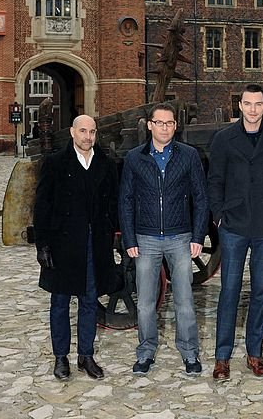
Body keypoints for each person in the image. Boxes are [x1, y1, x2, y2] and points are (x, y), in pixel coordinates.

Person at [118, 102, 207, 377]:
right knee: (145, 302)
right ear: (150, 125)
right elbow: (126, 200)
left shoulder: (189, 156)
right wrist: (129, 239)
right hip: (145, 238)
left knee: (184, 300)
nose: (165, 128)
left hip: (180, 237)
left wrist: (198, 235)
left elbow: (201, 198)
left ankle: (190, 353)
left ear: (175, 126)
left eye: (169, 123)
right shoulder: (134, 158)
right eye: (159, 123)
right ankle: (145, 351)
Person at [208, 84, 263, 381]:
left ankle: (255, 353)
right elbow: (214, 179)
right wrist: (218, 215)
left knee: (261, 290)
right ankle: (222, 357)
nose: (252, 109)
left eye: (258, 104)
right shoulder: (224, 139)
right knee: (229, 290)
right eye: (247, 104)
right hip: (234, 224)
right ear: (239, 106)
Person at [34, 115, 120, 381]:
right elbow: (42, 205)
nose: (88, 137)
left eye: (92, 132)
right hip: (63, 243)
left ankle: (86, 355)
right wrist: (43, 244)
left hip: (94, 243)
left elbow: (112, 204)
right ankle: (60, 357)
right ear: (72, 132)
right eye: (83, 131)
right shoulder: (55, 163)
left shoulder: (105, 164)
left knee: (89, 301)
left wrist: (114, 236)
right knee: (59, 302)